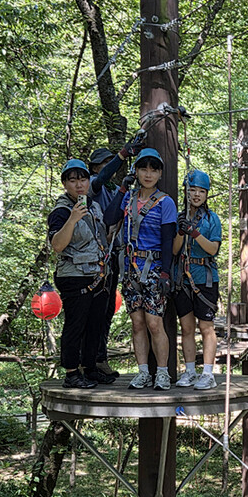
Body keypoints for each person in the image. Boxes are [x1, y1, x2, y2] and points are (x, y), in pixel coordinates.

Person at [103, 148, 177, 391]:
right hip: (130, 268)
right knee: (137, 323)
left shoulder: (165, 202)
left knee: (155, 323)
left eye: (153, 169)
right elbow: (109, 218)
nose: (148, 174)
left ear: (159, 174)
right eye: (143, 169)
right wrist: (123, 189)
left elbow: (168, 240)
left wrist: (165, 272)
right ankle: (143, 371)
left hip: (154, 267)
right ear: (136, 171)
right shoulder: (129, 198)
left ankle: (163, 373)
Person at [47, 158, 111, 389]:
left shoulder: (93, 206)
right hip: (73, 275)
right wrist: (72, 219)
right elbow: (57, 245)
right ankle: (72, 372)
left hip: (97, 273)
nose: (79, 185)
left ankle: (90, 367)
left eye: (82, 179)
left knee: (95, 323)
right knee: (76, 324)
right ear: (65, 184)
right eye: (73, 180)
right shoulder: (62, 211)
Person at [87, 137, 145, 379]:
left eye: (109, 162)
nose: (107, 167)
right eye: (104, 163)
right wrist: (122, 155)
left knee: (108, 307)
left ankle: (99, 359)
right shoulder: (93, 184)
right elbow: (102, 179)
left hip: (115, 254)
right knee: (97, 309)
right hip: (100, 255)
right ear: (94, 167)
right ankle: (91, 360)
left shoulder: (113, 190)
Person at [173, 169, 221, 390]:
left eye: (201, 191)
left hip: (205, 279)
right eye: (192, 190)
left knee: (206, 326)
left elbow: (212, 249)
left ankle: (208, 373)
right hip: (183, 277)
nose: (196, 195)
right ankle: (190, 371)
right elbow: (174, 250)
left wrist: (195, 233)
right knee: (186, 327)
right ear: (186, 191)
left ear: (206, 194)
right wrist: (182, 232)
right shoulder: (179, 218)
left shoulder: (212, 219)